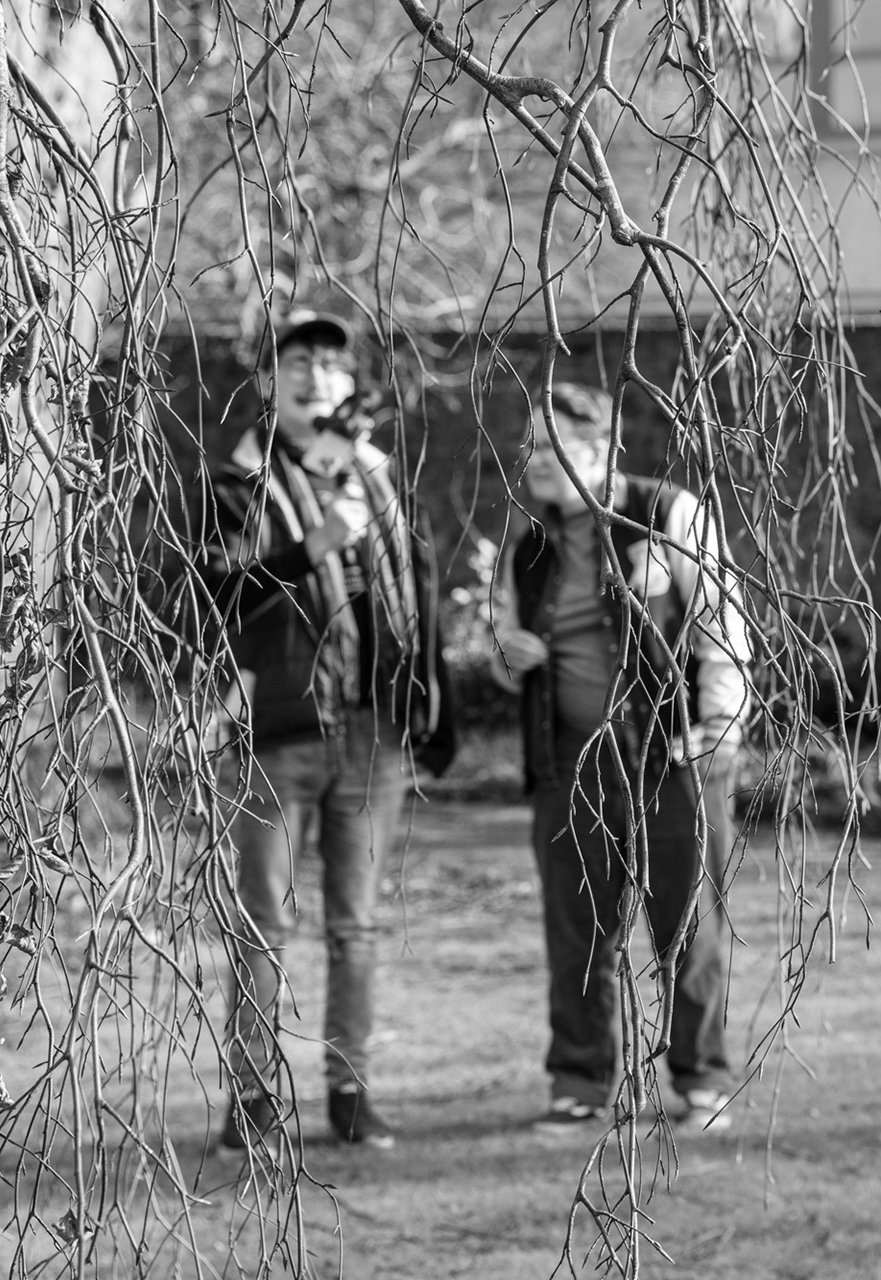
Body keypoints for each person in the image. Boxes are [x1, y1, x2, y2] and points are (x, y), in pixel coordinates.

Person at [198, 310, 457, 1151]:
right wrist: (311, 546)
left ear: (350, 385)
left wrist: (435, 706)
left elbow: (414, 594)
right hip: (277, 732)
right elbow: (211, 596)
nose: (316, 377)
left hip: (370, 735)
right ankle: (254, 1100)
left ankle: (351, 1096)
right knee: (262, 924)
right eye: (298, 364)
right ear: (272, 384)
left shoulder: (378, 479)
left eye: (331, 365)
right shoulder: (238, 480)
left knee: (356, 924)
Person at [489, 383, 751, 1137]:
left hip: (671, 757)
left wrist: (720, 726)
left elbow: (723, 625)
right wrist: (510, 653)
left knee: (687, 925)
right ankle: (580, 1082)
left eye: (551, 443)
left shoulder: (668, 513)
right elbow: (506, 636)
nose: (534, 459)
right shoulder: (529, 541)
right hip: (567, 764)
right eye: (530, 444)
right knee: (577, 930)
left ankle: (701, 1081)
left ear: (600, 446)